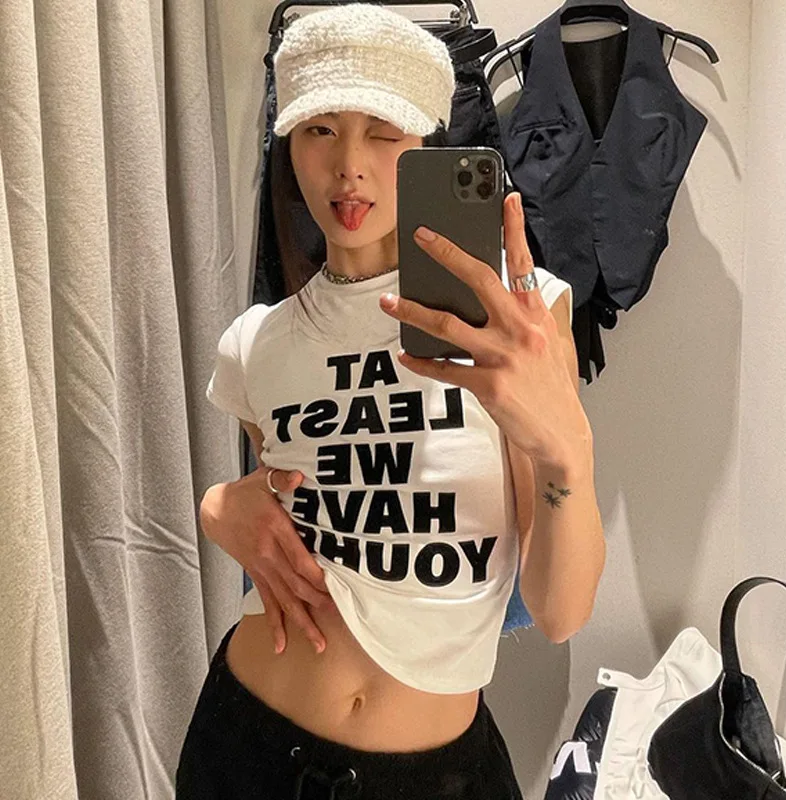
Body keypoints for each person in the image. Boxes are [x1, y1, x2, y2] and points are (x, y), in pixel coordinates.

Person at [175, 5, 605, 799]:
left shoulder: (519, 321)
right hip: (244, 746)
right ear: (288, 143)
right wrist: (219, 506)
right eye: (319, 130)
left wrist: (565, 453)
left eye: (383, 132)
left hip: (435, 775)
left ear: (426, 145)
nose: (349, 167)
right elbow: (285, 519)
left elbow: (559, 611)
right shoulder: (254, 344)